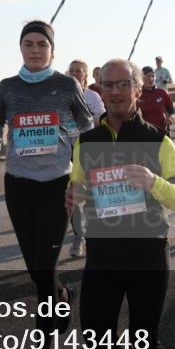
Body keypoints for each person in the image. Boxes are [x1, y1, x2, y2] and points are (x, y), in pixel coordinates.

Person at [66, 58, 175, 349]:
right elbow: (77, 188)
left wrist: (153, 182)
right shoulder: (86, 142)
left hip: (147, 250)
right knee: (93, 334)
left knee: (145, 334)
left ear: (139, 90)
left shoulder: (158, 141)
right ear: (99, 90)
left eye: (124, 84)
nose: (116, 91)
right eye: (109, 85)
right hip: (103, 252)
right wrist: (72, 196)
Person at [0, 20, 93, 349]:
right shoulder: (8, 88)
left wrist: (78, 163)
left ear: (52, 50)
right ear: (20, 48)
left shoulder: (66, 85)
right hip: (18, 186)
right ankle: (63, 297)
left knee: (43, 275)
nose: (36, 49)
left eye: (42, 44)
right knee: (38, 272)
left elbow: (86, 125)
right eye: (29, 44)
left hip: (56, 186)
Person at [66, 59, 105, 259]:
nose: (74, 73)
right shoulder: (60, 95)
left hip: (88, 149)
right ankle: (78, 236)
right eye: (71, 70)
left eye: (78, 71)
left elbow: (104, 119)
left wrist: (87, 122)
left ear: (85, 75)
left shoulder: (92, 96)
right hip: (65, 150)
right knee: (71, 197)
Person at [139, 66, 175, 133]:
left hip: (162, 130)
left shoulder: (162, 92)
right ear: (142, 78)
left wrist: (172, 117)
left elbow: (172, 109)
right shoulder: (137, 94)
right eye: (147, 76)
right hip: (144, 132)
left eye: (153, 76)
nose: (151, 78)